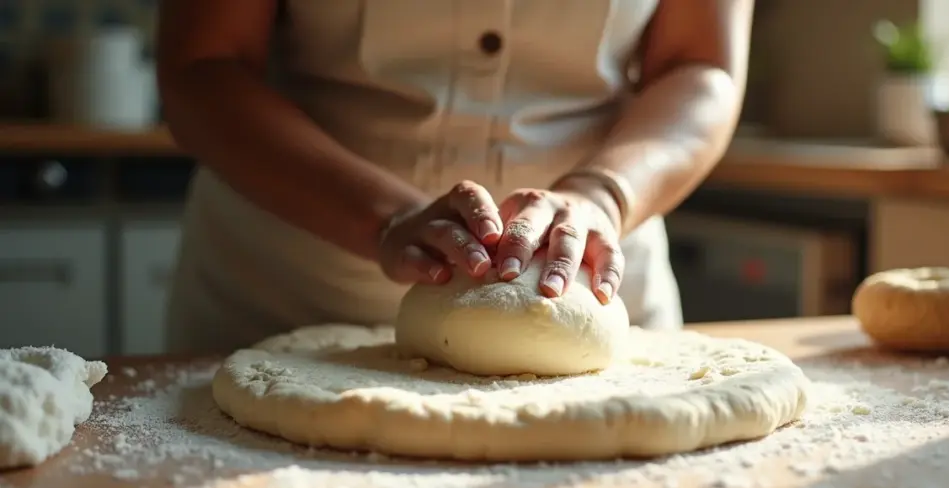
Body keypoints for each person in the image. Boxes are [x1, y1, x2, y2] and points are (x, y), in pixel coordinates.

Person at [157, 0, 753, 354]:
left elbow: (700, 67)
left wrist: (603, 194)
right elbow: (202, 66)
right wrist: (383, 217)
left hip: (588, 291)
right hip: (287, 301)